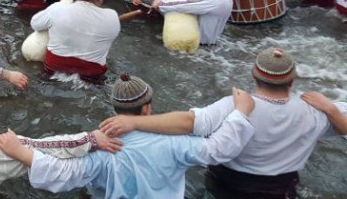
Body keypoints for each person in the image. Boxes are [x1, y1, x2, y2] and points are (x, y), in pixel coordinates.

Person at [99, 48, 347, 199]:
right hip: (279, 190)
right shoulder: (314, 111)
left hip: (226, 186)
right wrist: (331, 108)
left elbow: (188, 122)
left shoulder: (235, 104)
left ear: (253, 76)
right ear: (292, 82)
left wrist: (134, 122)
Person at [0, 75, 256, 199]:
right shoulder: (175, 143)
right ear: (147, 108)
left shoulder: (103, 148)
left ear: (114, 109)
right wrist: (241, 113)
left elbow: (65, 172)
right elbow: (217, 149)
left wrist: (22, 152)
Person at [32, 0, 118, 81]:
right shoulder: (112, 17)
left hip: (54, 69)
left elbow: (35, 24)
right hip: (91, 75)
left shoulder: (57, 8)